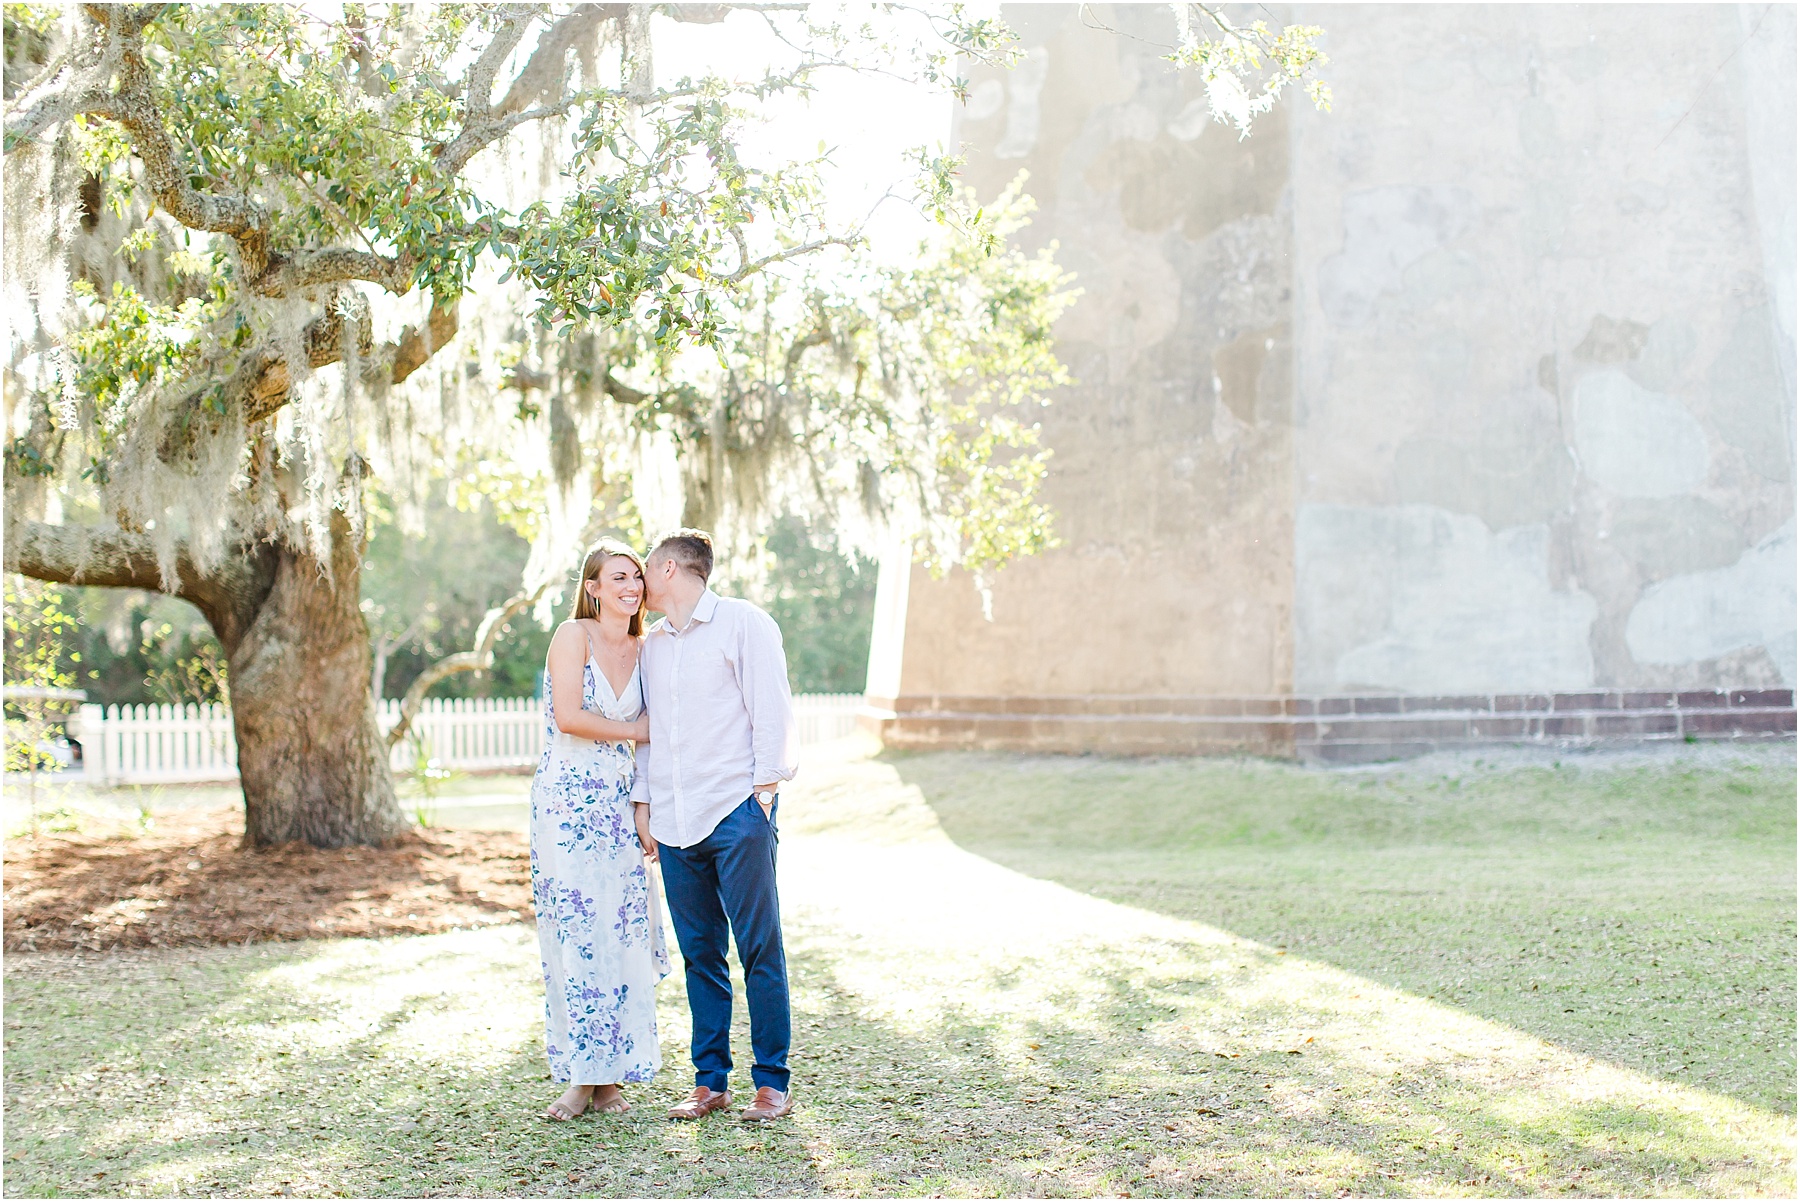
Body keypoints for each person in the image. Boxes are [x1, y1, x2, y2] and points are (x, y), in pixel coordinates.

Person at [632, 529, 799, 1123]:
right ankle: (710, 1081)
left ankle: (770, 1082)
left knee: (759, 948)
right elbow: (653, 732)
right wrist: (645, 804)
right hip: (676, 823)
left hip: (735, 813)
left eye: (645, 568)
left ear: (672, 569)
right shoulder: (650, 646)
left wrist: (764, 793)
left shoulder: (743, 623)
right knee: (700, 954)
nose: (638, 580)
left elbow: (771, 707)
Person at [529, 539, 669, 1121]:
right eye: (618, 577)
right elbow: (568, 716)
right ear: (592, 587)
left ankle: (612, 1079)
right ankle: (580, 1077)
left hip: (620, 804)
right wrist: (640, 729)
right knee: (577, 934)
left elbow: (663, 732)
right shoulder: (573, 636)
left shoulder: (650, 646)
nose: (631, 587)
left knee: (621, 935)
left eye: (636, 577)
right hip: (567, 805)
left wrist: (644, 806)